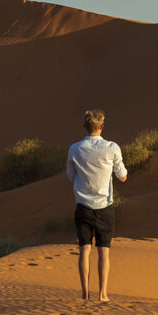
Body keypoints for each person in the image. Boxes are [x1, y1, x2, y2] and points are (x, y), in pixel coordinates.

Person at [66, 109, 127, 302]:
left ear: (85, 126)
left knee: (84, 249)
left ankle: (85, 294)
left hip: (83, 206)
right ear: (102, 126)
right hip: (104, 207)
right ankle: (103, 294)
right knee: (104, 251)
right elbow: (122, 176)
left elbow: (70, 174)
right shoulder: (112, 148)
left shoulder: (75, 148)